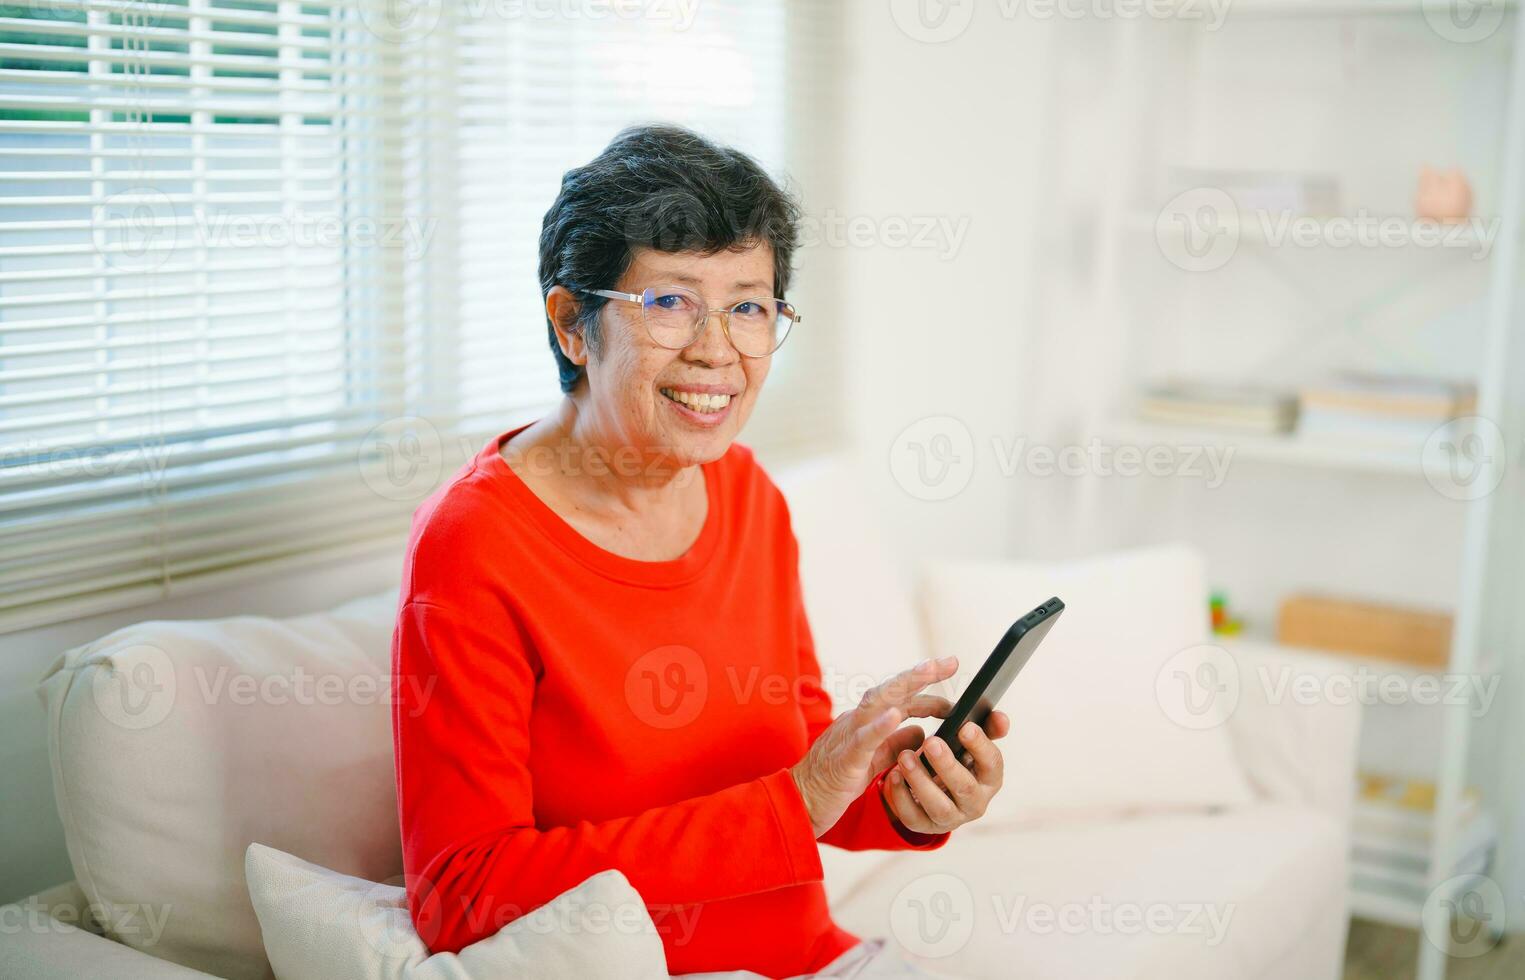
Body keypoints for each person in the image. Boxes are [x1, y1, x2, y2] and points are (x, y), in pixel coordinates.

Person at [390, 124, 1009, 979]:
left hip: (810, 960)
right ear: (573, 323)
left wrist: (904, 798)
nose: (717, 350)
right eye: (670, 302)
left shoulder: (747, 491)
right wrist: (792, 803)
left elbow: (793, 787)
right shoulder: (473, 545)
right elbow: (461, 893)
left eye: (748, 305)